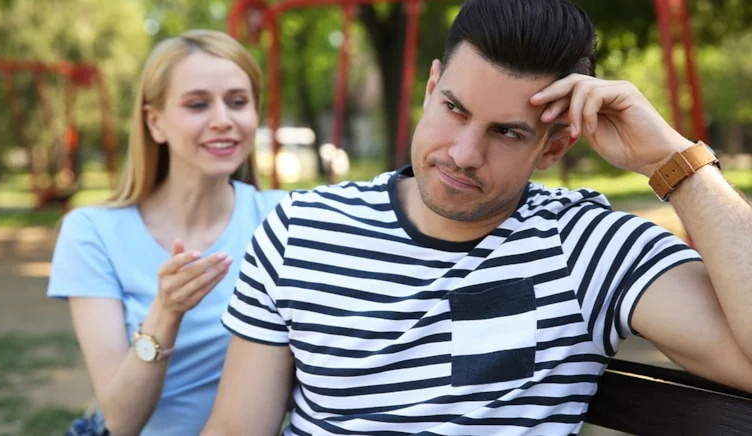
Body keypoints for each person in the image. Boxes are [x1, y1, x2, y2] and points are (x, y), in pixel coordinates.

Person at [203, 0, 752, 434]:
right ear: (430, 88)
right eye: (455, 109)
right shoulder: (301, 229)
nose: (464, 154)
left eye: (506, 132)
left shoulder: (585, 247)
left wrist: (673, 162)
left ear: (553, 146)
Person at [47, 29, 285, 435]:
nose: (223, 120)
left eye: (238, 102)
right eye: (197, 104)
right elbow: (121, 422)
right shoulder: (90, 233)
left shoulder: (285, 218)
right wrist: (166, 311)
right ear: (154, 123)